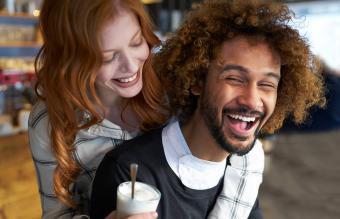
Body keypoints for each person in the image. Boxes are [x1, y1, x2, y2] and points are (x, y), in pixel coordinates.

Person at [90, 0, 325, 218]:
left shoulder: (245, 173)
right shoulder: (129, 172)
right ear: (196, 81)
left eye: (266, 84)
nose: (252, 100)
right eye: (234, 79)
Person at [28, 0, 168, 218]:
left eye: (136, 42)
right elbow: (56, 214)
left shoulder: (173, 84)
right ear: (70, 60)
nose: (131, 66)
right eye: (108, 57)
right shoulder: (49, 120)